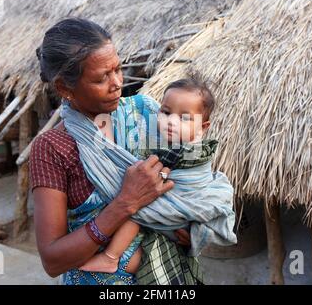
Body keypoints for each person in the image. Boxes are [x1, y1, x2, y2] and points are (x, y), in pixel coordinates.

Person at [30, 17, 204, 285]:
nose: (117, 83)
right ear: (65, 88)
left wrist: (187, 223)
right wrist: (125, 203)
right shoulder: (53, 148)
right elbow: (53, 260)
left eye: (118, 69)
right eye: (102, 78)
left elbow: (187, 170)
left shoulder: (145, 113)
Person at [79, 78, 235, 274]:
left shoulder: (183, 149)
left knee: (134, 212)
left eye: (184, 118)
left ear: (203, 127)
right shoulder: (165, 138)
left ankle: (110, 257)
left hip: (184, 207)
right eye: (166, 112)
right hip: (178, 219)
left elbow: (158, 180)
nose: (171, 122)